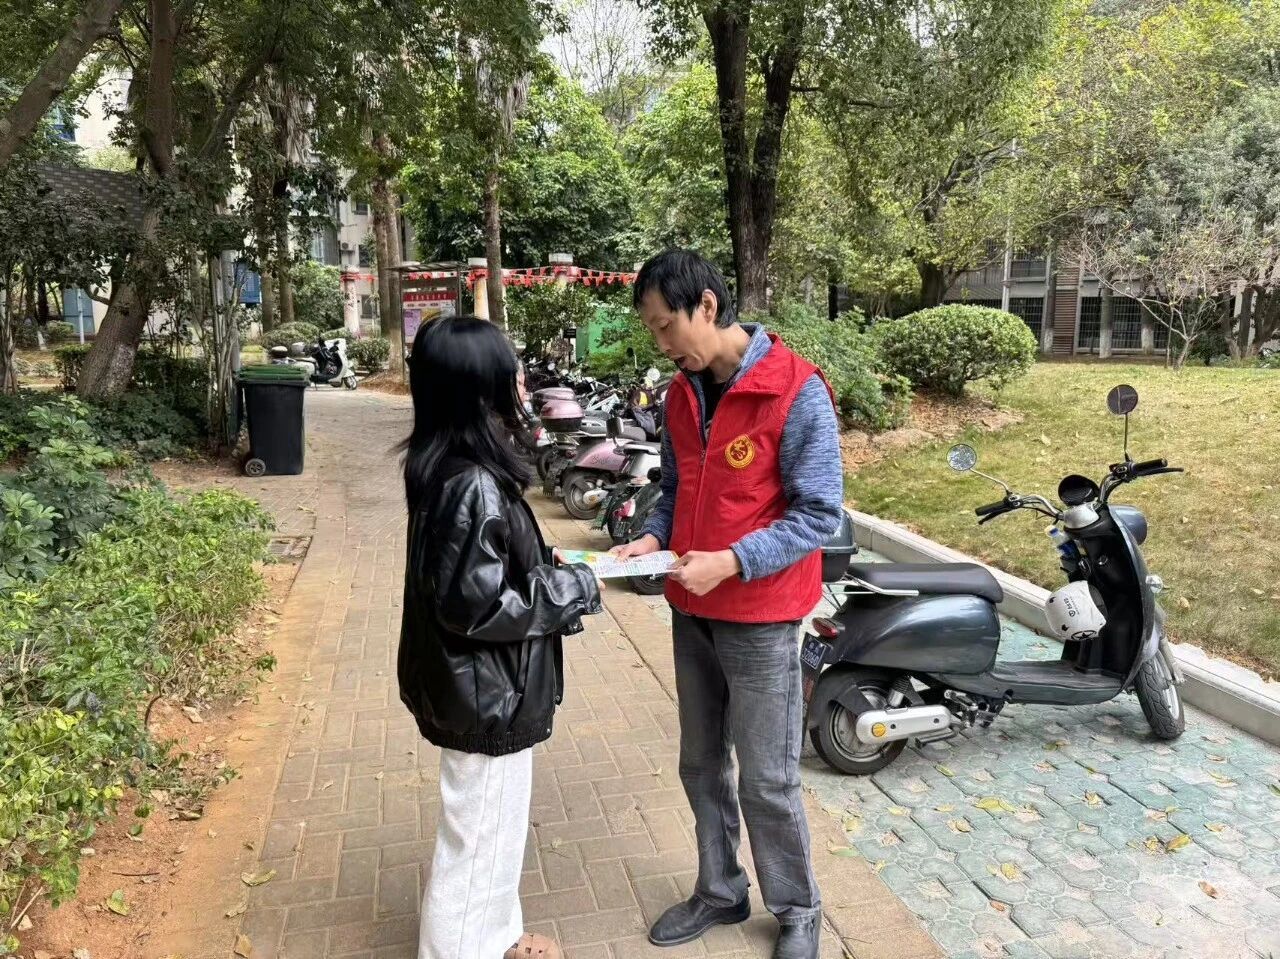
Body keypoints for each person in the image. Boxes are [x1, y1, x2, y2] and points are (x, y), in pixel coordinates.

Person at [613, 251, 843, 959]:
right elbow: (678, 487)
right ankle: (720, 889)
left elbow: (819, 515)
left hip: (762, 617)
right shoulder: (681, 394)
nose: (661, 343)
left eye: (666, 325)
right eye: (652, 329)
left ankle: (798, 908)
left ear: (707, 306)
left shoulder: (796, 389)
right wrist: (653, 535)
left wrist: (735, 560)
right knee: (701, 762)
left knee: (767, 778)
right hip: (692, 608)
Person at [398, 315, 603, 959]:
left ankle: (499, 938)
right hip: (489, 695)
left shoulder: (449, 467)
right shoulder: (473, 484)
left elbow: (473, 578)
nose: (521, 383)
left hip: (480, 691)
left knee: (490, 835)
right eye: (510, 372)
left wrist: (542, 566)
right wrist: (573, 588)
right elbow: (479, 607)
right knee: (477, 846)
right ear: (480, 388)